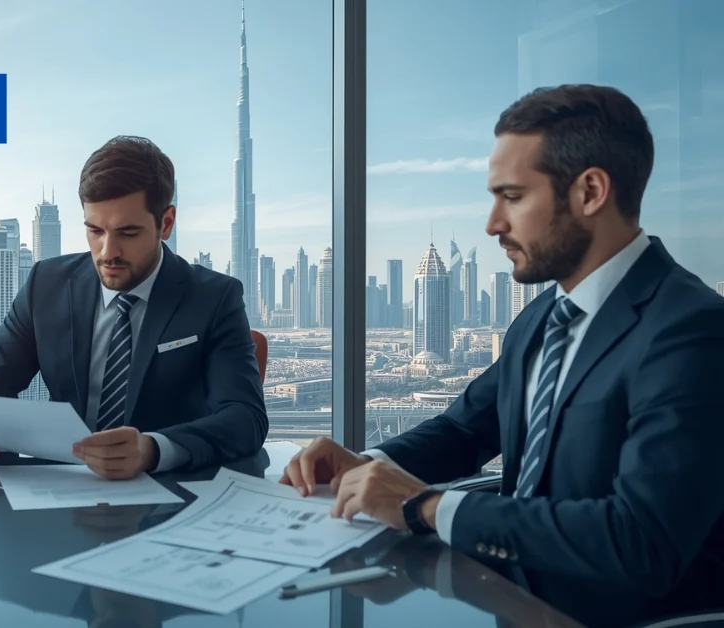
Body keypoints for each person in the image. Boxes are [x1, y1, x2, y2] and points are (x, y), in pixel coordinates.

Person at [282, 84, 724, 626]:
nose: (492, 223)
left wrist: (426, 507)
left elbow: (641, 542)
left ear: (590, 192)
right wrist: (370, 464)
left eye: (512, 197)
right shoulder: (543, 317)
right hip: (505, 597)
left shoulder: (691, 329)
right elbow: (465, 430)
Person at [0, 135, 268, 479]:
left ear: (166, 223)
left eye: (127, 233)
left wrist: (152, 449)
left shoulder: (213, 298)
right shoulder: (46, 285)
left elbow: (245, 418)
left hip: (170, 494)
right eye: (95, 230)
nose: (108, 251)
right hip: (59, 494)